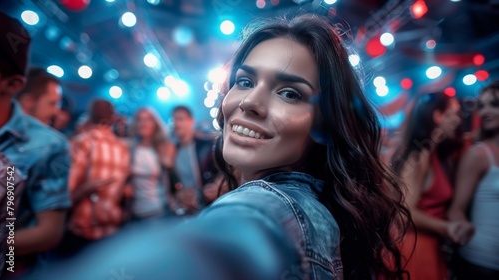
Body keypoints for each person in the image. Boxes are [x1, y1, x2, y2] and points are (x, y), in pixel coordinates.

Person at [30, 14, 409, 280]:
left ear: (325, 124)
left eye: (290, 92)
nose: (250, 102)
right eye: (244, 81)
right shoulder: (322, 202)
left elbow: (242, 232)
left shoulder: (277, 205)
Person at [0, 11, 71, 278]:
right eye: (52, 104)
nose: (56, 113)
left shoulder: (51, 146)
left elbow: (50, 232)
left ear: (11, 84)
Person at [391, 91, 475, 280]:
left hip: (426, 247)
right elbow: (404, 214)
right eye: (454, 112)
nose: (460, 118)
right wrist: (448, 228)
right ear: (438, 116)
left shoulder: (435, 153)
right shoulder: (420, 156)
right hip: (414, 249)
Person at [63, 99, 130, 255]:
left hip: (80, 231)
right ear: (112, 118)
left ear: (89, 116)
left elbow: (66, 195)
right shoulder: (122, 149)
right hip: (110, 231)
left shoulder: (82, 142)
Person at [448, 81, 499, 279]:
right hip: (480, 263)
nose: (486, 111)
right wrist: (461, 230)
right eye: (482, 105)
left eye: (494, 104)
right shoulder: (478, 154)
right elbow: (456, 209)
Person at [172, 105, 224, 214]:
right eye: (174, 119)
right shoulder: (173, 150)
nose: (176, 124)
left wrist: (216, 186)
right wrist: (179, 193)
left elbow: (225, 170)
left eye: (180, 119)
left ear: (191, 121)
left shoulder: (207, 146)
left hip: (211, 205)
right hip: (187, 210)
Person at [128, 107, 177, 220]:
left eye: (148, 119)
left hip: (160, 210)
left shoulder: (165, 147)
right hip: (135, 211)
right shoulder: (130, 148)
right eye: (139, 120)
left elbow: (173, 176)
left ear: (155, 124)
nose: (143, 123)